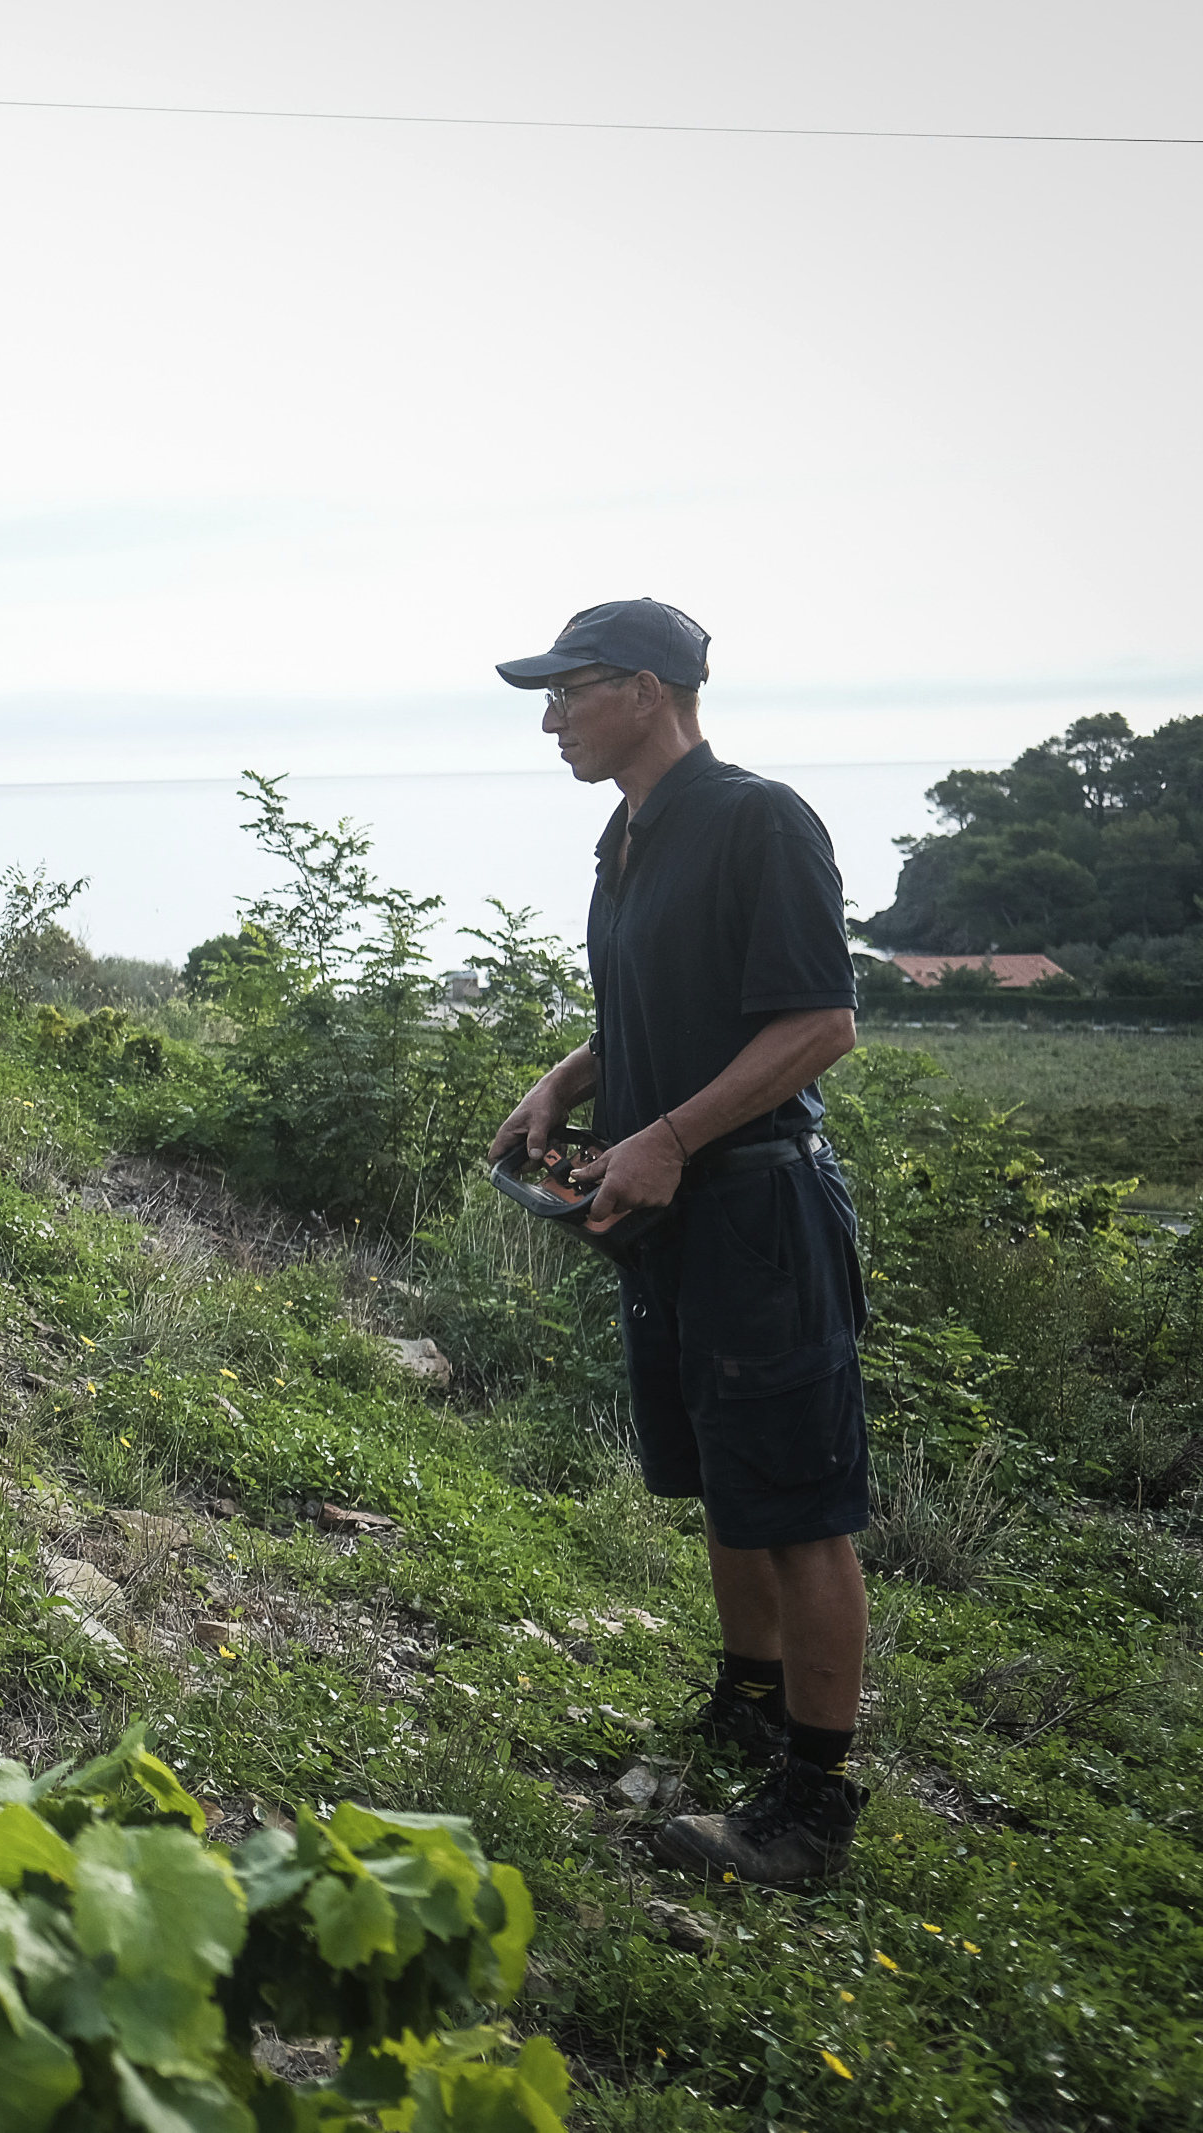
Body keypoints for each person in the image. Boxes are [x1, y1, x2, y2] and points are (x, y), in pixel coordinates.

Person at [485, 598, 873, 1889]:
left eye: (568, 690)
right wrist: (571, 1081)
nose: (549, 716)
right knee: (724, 1476)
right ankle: (748, 1705)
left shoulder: (759, 820)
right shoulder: (628, 837)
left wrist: (671, 1137)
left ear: (646, 690)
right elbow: (658, 1006)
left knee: (802, 1510)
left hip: (760, 1215)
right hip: (676, 1222)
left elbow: (819, 1023)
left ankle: (811, 1806)